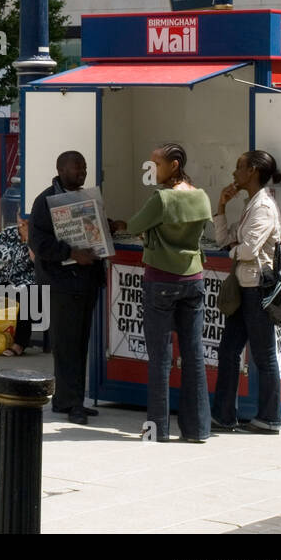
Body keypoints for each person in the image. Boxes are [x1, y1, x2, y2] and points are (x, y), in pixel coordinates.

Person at [110, 143, 214, 443]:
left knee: (160, 357)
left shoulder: (161, 199)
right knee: (194, 354)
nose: (150, 169)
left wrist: (139, 230)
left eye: (156, 164)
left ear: (174, 164)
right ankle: (198, 429)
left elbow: (135, 225)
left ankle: (157, 429)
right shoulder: (201, 197)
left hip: (161, 280)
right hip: (193, 278)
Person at [212, 150, 281, 435]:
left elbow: (245, 250)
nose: (234, 172)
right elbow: (223, 239)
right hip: (245, 287)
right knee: (228, 351)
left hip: (257, 288)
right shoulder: (250, 204)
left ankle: (269, 417)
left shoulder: (263, 207)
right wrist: (221, 206)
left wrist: (231, 250)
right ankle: (224, 415)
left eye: (239, 167)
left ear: (253, 171)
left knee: (264, 354)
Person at [28, 150, 103, 425]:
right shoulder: (44, 201)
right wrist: (71, 253)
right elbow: (39, 244)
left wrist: (108, 228)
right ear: (60, 169)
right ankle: (73, 404)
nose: (82, 172)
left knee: (79, 343)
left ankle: (66, 400)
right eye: (76, 168)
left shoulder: (87, 198)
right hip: (61, 283)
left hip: (87, 281)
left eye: (84, 168)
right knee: (67, 345)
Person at [0, 212, 35, 356]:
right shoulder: (7, 233)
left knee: (26, 296)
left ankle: (19, 343)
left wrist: (30, 238)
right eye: (21, 216)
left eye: (27, 217)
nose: (24, 220)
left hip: (29, 281)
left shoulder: (39, 233)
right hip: (5, 280)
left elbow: (36, 260)